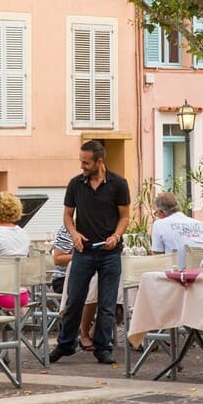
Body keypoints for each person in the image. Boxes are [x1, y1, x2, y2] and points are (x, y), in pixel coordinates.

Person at [49, 140, 130, 366]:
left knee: (107, 303)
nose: (82, 166)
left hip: (110, 252)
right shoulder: (75, 184)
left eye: (86, 162)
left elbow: (124, 216)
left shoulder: (119, 184)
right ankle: (66, 345)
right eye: (81, 162)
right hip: (83, 251)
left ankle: (103, 348)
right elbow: (67, 215)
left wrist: (115, 236)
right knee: (74, 299)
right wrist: (74, 234)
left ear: (99, 161)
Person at [150, 191, 203, 268]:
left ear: (162, 212)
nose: (157, 216)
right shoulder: (200, 224)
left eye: (156, 213)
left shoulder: (159, 224)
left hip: (177, 276)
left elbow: (158, 257)